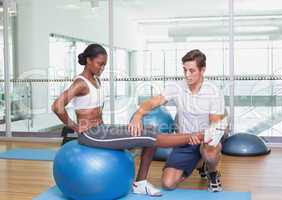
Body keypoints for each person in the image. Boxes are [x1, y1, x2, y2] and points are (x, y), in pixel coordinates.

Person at [52, 44, 216, 197]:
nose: (101, 68)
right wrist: (73, 126)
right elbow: (57, 106)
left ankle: (140, 183)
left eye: (104, 65)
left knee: (148, 133)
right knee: (151, 137)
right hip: (91, 134)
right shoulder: (81, 82)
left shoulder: (96, 80)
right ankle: (199, 136)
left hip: (102, 129)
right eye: (98, 64)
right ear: (88, 60)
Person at [128, 49, 227, 192]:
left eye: (192, 71)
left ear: (202, 69)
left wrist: (201, 138)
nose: (187, 75)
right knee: (168, 184)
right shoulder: (176, 86)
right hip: (184, 141)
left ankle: (212, 173)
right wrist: (138, 115)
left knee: (210, 152)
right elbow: (154, 101)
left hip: (205, 139)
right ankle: (200, 164)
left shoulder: (214, 92)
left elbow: (214, 124)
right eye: (185, 70)